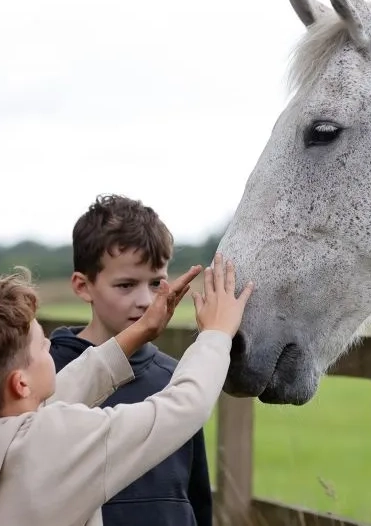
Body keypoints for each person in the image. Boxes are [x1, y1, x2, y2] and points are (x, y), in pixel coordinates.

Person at [0, 253, 253, 526]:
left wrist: (140, 332)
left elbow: (56, 397)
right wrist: (216, 334)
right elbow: (181, 409)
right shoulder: (53, 445)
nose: (51, 349)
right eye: (42, 346)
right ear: (21, 383)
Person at [48, 193, 215, 526]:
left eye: (156, 283)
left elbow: (196, 494)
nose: (145, 300)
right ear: (83, 286)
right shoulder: (47, 376)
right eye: (125, 285)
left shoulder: (175, 377)